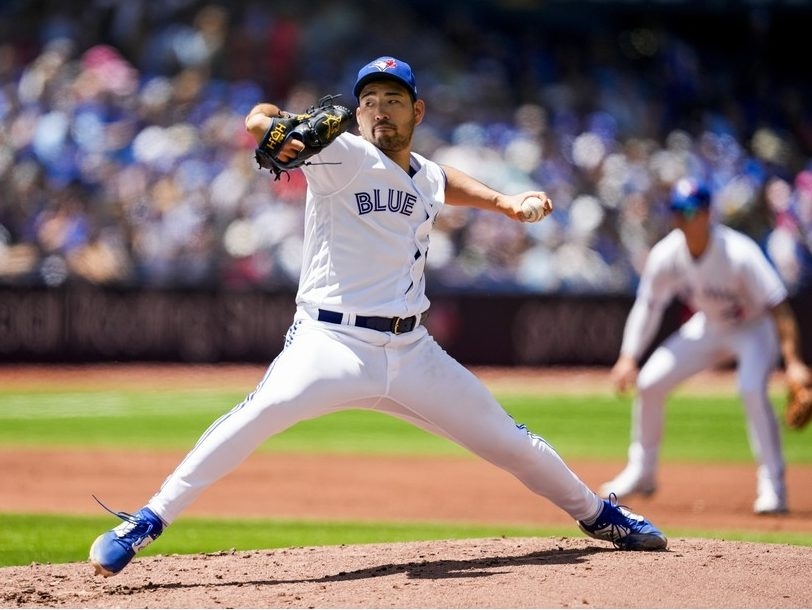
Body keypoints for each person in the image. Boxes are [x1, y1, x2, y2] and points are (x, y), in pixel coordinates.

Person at [89, 56, 667, 578]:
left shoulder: (425, 173)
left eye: (392, 100)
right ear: (356, 111)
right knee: (258, 414)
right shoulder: (342, 152)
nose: (378, 111)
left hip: (411, 351)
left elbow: (440, 183)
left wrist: (505, 203)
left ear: (417, 110)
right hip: (330, 342)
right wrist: (264, 123)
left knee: (510, 442)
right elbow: (259, 120)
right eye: (368, 101)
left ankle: (599, 516)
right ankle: (145, 521)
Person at [600, 177, 812, 514]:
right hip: (709, 325)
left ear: (707, 213)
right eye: (677, 211)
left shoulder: (739, 253)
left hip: (753, 329)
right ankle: (643, 472)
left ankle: (774, 487)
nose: (682, 218)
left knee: (751, 390)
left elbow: (780, 310)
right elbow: (648, 305)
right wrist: (628, 356)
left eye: (689, 210)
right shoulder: (667, 253)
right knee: (650, 382)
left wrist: (794, 362)